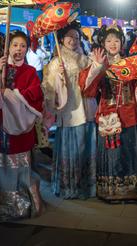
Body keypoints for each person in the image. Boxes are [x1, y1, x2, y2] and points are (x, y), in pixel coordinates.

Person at [80, 25, 137, 202]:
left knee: (130, 152)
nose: (113, 44)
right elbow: (87, 89)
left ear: (122, 43)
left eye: (116, 40)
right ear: (103, 43)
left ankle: (132, 190)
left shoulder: (131, 64)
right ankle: (111, 191)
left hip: (130, 115)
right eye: (109, 41)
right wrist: (97, 66)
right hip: (108, 115)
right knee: (112, 154)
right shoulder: (99, 64)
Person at [0, 31, 44, 220]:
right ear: (7, 47)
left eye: (23, 46)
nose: (19, 49)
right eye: (15, 45)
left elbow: (35, 95)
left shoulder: (30, 72)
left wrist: (12, 95)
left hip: (19, 126)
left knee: (19, 165)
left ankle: (20, 204)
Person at [42, 22, 97, 199]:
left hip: (87, 108)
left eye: (76, 37)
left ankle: (87, 185)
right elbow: (48, 89)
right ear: (61, 39)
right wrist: (58, 77)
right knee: (72, 148)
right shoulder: (56, 62)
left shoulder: (84, 58)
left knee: (85, 146)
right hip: (69, 111)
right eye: (69, 37)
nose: (73, 40)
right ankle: (70, 186)